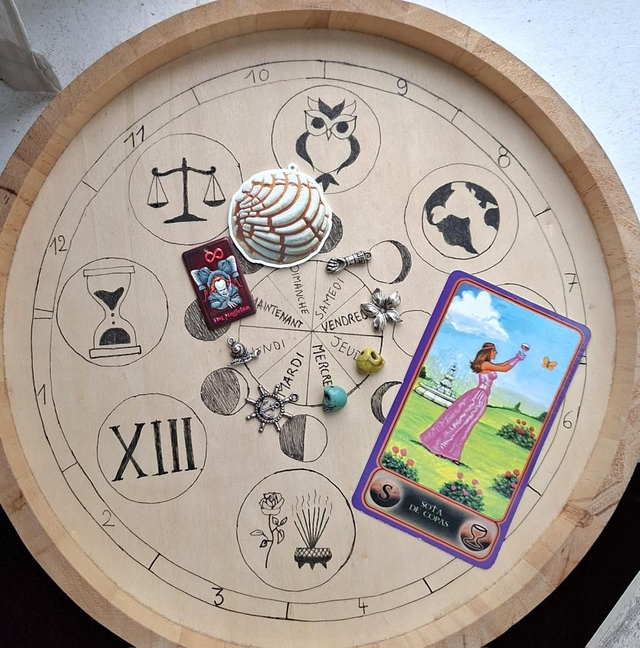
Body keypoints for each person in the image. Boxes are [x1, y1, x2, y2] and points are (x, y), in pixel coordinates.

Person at [419, 342, 525, 464]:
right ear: (488, 352)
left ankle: (451, 452)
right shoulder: (485, 364)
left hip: (481, 398)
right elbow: (504, 368)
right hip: (477, 397)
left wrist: (516, 358)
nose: (496, 353)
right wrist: (517, 359)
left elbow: (503, 365)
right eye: (494, 351)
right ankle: (438, 447)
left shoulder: (488, 364)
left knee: (466, 425)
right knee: (459, 422)